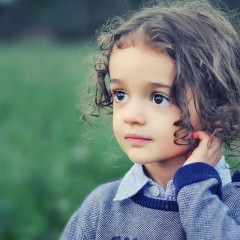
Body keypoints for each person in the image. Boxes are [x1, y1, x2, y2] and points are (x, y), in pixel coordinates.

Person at [61, 0, 240, 239]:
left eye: (159, 98)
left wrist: (195, 189)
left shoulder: (232, 207)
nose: (131, 116)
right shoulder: (100, 210)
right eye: (120, 94)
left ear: (217, 102)